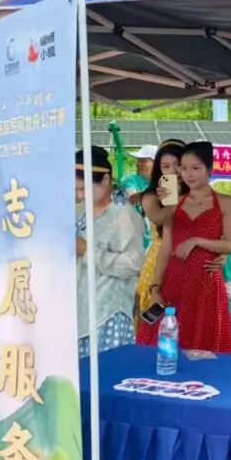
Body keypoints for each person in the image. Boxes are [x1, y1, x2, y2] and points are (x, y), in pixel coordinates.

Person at [138, 141, 231, 354]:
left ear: (209, 169)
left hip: (206, 285)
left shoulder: (225, 202)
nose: (188, 174)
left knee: (206, 351)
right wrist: (155, 287)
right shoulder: (175, 204)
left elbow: (229, 244)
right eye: (184, 168)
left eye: (195, 168)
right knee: (166, 347)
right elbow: (166, 248)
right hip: (174, 282)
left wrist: (197, 241)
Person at [75, 147, 145, 357]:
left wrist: (87, 251)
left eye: (84, 189)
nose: (79, 195)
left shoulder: (124, 216)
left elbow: (133, 265)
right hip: (79, 311)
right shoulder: (80, 212)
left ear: (106, 180)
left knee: (105, 371)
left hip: (107, 315)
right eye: (76, 189)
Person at [135, 140, 184, 321]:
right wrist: (172, 201)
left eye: (178, 164)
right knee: (160, 320)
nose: (174, 171)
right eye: (166, 166)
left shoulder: (198, 195)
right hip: (159, 263)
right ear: (159, 169)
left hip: (190, 261)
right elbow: (161, 219)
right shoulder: (151, 197)